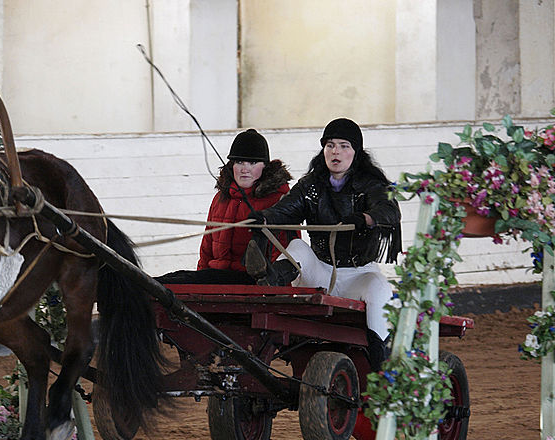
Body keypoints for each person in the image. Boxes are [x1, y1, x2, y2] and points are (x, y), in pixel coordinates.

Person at [245, 118, 402, 370]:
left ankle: (381, 367)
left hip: (359, 275)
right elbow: (284, 211)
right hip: (319, 272)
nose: (335, 152)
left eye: (343, 146)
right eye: (329, 145)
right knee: (297, 247)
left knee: (379, 288)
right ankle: (271, 279)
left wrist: (366, 218)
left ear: (356, 152)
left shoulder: (372, 185)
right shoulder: (311, 186)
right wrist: (262, 218)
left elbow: (389, 211)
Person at [157, 128, 296, 285]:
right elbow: (207, 249)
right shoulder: (220, 198)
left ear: (265, 166)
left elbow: (286, 253)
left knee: (173, 283)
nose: (244, 169)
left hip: (254, 281)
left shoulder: (280, 201)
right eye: (239, 162)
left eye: (252, 163)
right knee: (171, 280)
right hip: (215, 276)